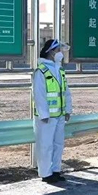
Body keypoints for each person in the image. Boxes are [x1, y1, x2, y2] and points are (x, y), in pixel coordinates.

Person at [32, 39, 72, 184]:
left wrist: (67, 110)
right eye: (58, 50)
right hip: (47, 117)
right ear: (51, 52)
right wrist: (44, 114)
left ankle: (55, 170)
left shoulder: (59, 70)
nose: (60, 53)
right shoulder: (41, 71)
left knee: (58, 144)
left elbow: (66, 92)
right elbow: (39, 94)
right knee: (45, 145)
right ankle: (46, 173)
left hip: (59, 115)